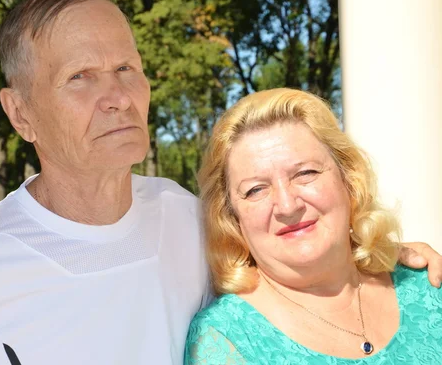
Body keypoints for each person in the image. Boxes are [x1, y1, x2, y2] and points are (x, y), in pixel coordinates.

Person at [0, 0, 441, 365]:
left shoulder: (186, 217)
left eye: (127, 69)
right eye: (81, 77)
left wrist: (393, 261)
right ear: (20, 113)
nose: (118, 97)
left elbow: (299, 264)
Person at [185, 88, 442, 364]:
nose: (287, 205)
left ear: (349, 180)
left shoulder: (428, 287)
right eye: (256, 190)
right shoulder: (224, 340)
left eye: (305, 173)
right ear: (231, 217)